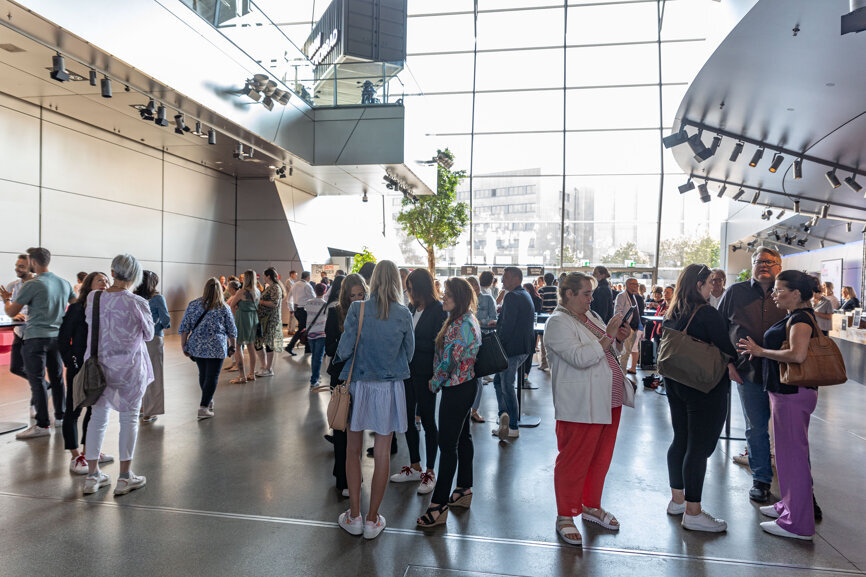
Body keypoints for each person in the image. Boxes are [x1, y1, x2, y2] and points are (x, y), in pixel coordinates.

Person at [544, 272, 633, 546]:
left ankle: (591, 505)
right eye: (585, 293)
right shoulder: (557, 323)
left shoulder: (591, 316)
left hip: (608, 400)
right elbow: (581, 358)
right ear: (568, 294)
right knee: (574, 460)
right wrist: (607, 336)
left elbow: (607, 352)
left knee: (600, 458)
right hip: (581, 403)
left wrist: (617, 338)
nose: (590, 298)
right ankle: (565, 515)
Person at [737, 271, 825, 541]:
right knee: (787, 458)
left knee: (793, 459)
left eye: (779, 290)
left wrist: (761, 351)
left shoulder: (800, 318)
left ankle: (798, 523)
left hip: (792, 394)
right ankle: (788, 506)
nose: (774, 294)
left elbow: (797, 355)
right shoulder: (795, 316)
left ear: (796, 293)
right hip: (787, 393)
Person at [336, 260, 414, 540]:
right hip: (389, 387)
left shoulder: (358, 309)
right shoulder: (404, 313)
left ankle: (353, 515)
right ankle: (372, 520)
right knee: (382, 454)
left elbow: (344, 350)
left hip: (359, 384)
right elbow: (410, 354)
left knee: (352, 450)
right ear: (397, 282)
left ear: (373, 281)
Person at [662, 265, 738, 532]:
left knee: (681, 439)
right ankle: (693, 512)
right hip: (703, 386)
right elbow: (727, 348)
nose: (711, 287)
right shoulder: (707, 313)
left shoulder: (673, 311)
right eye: (708, 282)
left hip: (675, 381)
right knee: (698, 447)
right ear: (698, 285)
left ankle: (678, 501)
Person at [81, 254, 154, 496]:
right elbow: (149, 335)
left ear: (112, 272)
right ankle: (124, 477)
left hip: (99, 368)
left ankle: (92, 476)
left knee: (97, 417)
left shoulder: (94, 297)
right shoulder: (138, 303)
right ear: (135, 276)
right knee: (129, 419)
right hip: (130, 369)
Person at [718, 247, 786, 503]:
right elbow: (720, 329)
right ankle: (761, 479)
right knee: (756, 428)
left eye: (769, 261)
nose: (763, 265)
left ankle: (799, 485)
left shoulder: (787, 292)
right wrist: (728, 363)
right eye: (759, 261)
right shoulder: (735, 292)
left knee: (786, 430)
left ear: (779, 265)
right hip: (748, 372)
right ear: (752, 265)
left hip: (785, 373)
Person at [416, 277, 482, 527]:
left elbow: (449, 361)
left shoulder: (460, 324)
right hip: (463, 386)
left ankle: (438, 504)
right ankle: (464, 488)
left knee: (447, 445)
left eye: (448, 294)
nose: (443, 297)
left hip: (456, 388)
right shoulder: (465, 319)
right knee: (462, 438)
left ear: (460, 298)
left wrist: (434, 382)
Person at [2, 247, 75, 439]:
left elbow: (11, 312)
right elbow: (75, 304)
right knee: (58, 379)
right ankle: (60, 417)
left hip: (35, 338)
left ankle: (42, 425)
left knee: (37, 381)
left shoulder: (32, 284)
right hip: (57, 337)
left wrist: (7, 300)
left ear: (33, 262)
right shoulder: (64, 283)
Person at [390, 269, 447, 495]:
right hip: (407, 372)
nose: (409, 291)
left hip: (426, 374)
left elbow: (438, 344)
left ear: (421, 286)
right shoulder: (412, 308)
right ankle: (415, 466)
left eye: (411, 287)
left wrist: (410, 346)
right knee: (406, 420)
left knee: (429, 422)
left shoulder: (438, 310)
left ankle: (430, 471)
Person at [58, 271, 112, 474]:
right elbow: (63, 339)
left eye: (107, 280)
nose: (105, 283)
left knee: (95, 409)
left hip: (99, 366)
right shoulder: (77, 309)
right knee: (73, 411)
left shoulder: (106, 309)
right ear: (89, 285)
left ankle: (90, 450)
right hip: (78, 366)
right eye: (100, 280)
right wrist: (71, 362)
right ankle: (75, 456)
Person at [324, 274, 364, 497]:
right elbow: (329, 348)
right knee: (341, 429)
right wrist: (345, 342)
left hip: (362, 377)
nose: (357, 299)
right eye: (353, 296)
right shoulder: (334, 312)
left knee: (357, 430)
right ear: (345, 296)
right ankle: (344, 477)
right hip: (340, 378)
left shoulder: (369, 313)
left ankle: (355, 476)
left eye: (361, 295)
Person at [179, 278, 237, 420]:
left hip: (197, 345)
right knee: (212, 376)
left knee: (203, 374)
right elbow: (231, 329)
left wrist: (184, 345)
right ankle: (204, 407)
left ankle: (208, 400)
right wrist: (233, 345)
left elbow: (184, 327)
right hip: (216, 346)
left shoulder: (193, 305)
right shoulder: (223, 307)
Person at [493, 267, 535, 440]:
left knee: (506, 385)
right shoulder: (524, 294)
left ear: (516, 278)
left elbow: (508, 327)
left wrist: (497, 346)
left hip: (511, 349)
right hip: (522, 348)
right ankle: (504, 417)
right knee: (498, 382)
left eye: (506, 277)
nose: (502, 280)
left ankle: (512, 426)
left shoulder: (511, 296)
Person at [3, 254, 36, 416]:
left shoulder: (39, 286)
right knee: (16, 367)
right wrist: (11, 312)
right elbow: (9, 309)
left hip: (35, 334)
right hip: (19, 332)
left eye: (21, 266)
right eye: (17, 265)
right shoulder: (12, 286)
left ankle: (37, 405)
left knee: (34, 370)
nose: (17, 269)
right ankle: (45, 386)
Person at [135, 271, 170, 423]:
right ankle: (150, 411)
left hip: (136, 340)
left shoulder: (134, 298)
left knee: (140, 374)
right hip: (154, 339)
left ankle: (142, 407)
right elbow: (166, 320)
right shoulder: (157, 298)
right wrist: (158, 327)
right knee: (154, 374)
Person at [466, 276, 496, 422]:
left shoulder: (488, 299)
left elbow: (493, 318)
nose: (474, 288)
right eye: (470, 285)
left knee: (478, 377)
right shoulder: (463, 301)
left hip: (482, 341)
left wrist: (476, 322)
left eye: (475, 285)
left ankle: (475, 410)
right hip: (466, 344)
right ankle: (467, 409)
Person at [227, 270, 259, 383]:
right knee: (251, 347)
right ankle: (252, 373)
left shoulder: (241, 292)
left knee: (238, 346)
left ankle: (242, 376)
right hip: (253, 319)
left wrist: (236, 314)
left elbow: (231, 305)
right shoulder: (258, 292)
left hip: (242, 319)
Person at [254, 267, 283, 377]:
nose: (263, 278)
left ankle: (269, 368)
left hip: (271, 319)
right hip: (264, 319)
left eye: (264, 275)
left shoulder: (275, 287)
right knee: (259, 342)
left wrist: (260, 301)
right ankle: (264, 366)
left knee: (269, 344)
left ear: (268, 276)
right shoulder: (270, 287)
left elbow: (274, 303)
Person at [614, 278, 645, 376]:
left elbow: (637, 313)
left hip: (635, 328)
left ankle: (622, 375)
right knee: (624, 354)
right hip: (627, 328)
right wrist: (624, 325)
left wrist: (640, 327)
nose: (636, 286)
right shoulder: (622, 296)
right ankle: (621, 375)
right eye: (633, 284)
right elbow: (618, 312)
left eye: (637, 284)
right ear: (628, 285)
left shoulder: (634, 296)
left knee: (628, 353)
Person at [305, 283, 329, 388]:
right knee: (318, 357)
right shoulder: (325, 304)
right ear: (324, 291)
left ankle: (315, 375)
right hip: (321, 333)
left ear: (315, 290)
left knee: (314, 355)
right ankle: (314, 380)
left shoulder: (308, 303)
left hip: (310, 333)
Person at [285, 271, 314, 354]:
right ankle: (290, 346)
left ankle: (307, 348)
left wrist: (291, 309)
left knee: (304, 328)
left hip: (296, 309)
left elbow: (289, 298)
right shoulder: (307, 286)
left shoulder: (294, 284)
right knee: (303, 329)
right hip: (304, 310)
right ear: (308, 277)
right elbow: (313, 298)